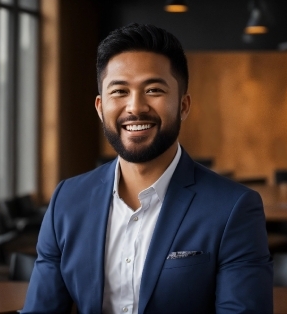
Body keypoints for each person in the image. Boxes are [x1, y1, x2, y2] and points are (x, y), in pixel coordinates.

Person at [22, 23, 272, 314]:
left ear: (183, 105)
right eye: (120, 91)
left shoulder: (234, 208)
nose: (135, 107)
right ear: (101, 107)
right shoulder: (67, 200)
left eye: (153, 89)